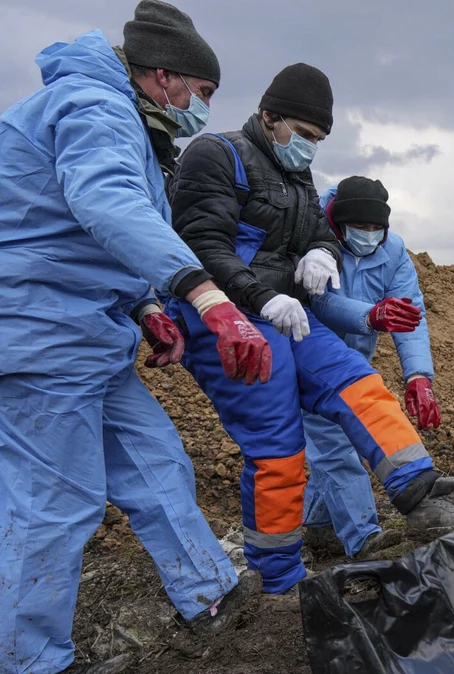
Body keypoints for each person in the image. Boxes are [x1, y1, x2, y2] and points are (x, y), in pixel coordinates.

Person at [0, 3, 272, 672]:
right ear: (163, 76)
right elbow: (105, 203)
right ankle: (30, 659)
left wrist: (148, 305)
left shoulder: (129, 128)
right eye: (201, 94)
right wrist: (202, 293)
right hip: (38, 335)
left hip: (89, 336)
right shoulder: (94, 106)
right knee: (53, 506)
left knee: (156, 463)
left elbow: (99, 237)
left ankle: (208, 593)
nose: (201, 108)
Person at [168, 64, 454, 595]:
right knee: (279, 448)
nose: (310, 148)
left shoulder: (296, 176)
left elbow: (319, 231)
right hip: (228, 317)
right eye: (306, 135)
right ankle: (280, 580)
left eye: (319, 140)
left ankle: (423, 498)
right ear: (269, 117)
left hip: (288, 313)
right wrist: (261, 296)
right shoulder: (215, 155)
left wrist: (319, 250)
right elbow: (201, 243)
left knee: (359, 383)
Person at [301, 176, 452, 558]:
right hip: (310, 359)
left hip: (355, 362)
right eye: (360, 228)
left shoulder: (394, 251)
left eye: (376, 228)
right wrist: (370, 315)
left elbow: (409, 314)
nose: (369, 235)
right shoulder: (312, 240)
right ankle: (364, 538)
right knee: (336, 447)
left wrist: (419, 376)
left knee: (333, 443)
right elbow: (315, 302)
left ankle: (318, 527)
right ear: (338, 223)